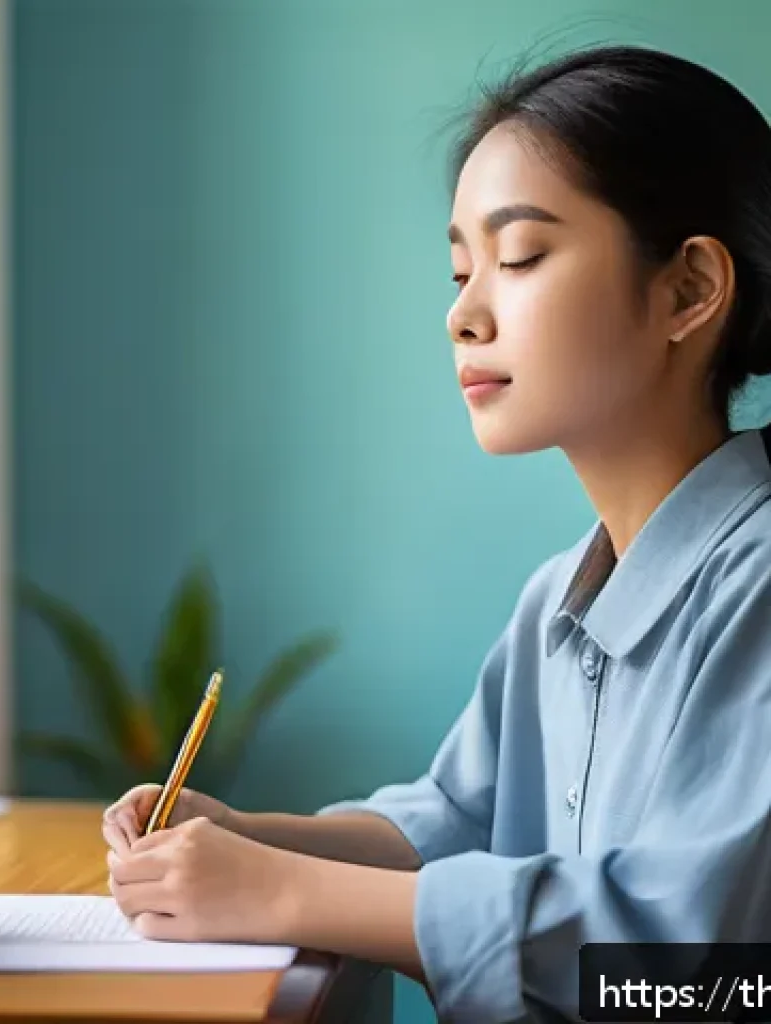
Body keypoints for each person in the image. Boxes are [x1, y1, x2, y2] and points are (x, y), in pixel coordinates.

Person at [100, 43, 771, 1022]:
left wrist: (280, 891)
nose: (463, 314)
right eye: (460, 270)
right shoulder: (557, 601)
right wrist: (247, 834)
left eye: (520, 256)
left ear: (687, 290)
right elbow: (449, 823)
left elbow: (680, 974)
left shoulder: (756, 584)